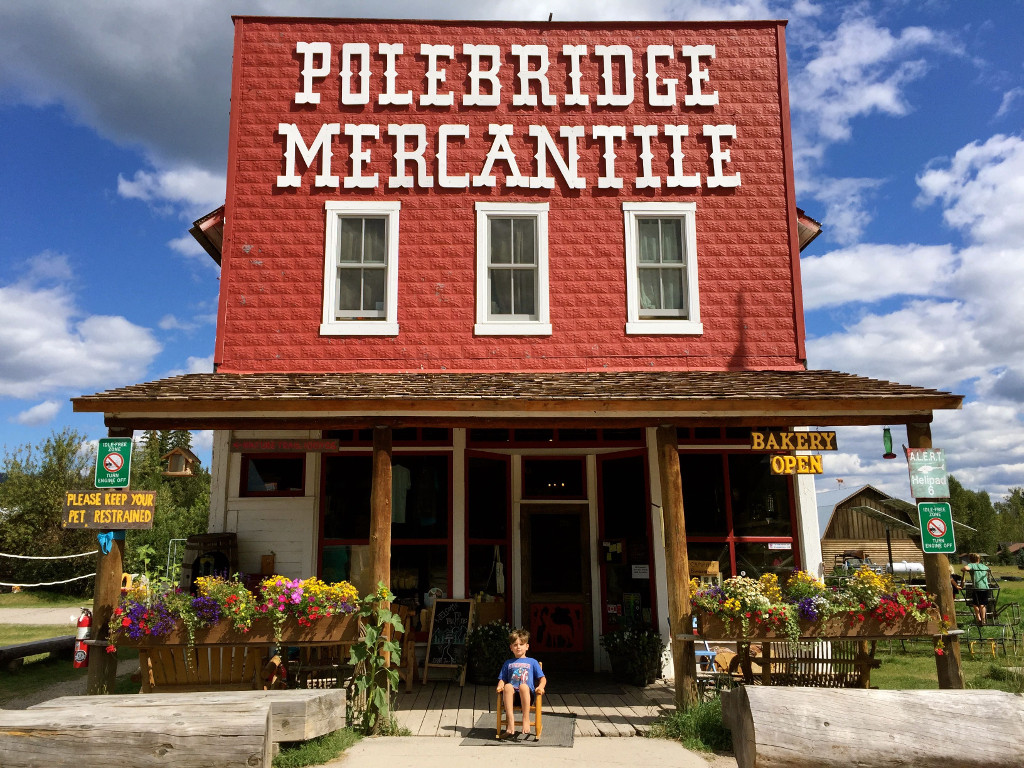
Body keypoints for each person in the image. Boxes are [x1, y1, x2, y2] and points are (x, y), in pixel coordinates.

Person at [496, 628, 546, 738]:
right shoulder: (508, 663)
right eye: (515, 644)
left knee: (523, 686)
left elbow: (542, 678)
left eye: (521, 644)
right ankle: (510, 722)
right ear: (511, 648)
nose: (518, 647)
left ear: (527, 646)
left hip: (527, 696)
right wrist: (500, 685)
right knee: (508, 686)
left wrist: (540, 687)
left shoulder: (532, 662)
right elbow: (503, 679)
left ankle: (526, 718)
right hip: (512, 697)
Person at [962, 553, 992, 624]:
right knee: (983, 604)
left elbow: (966, 568)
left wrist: (962, 569)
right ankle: (983, 619)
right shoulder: (983, 566)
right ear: (979, 559)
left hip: (977, 587)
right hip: (985, 587)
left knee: (975, 604)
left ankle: (978, 618)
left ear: (970, 560)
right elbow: (989, 570)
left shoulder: (971, 565)